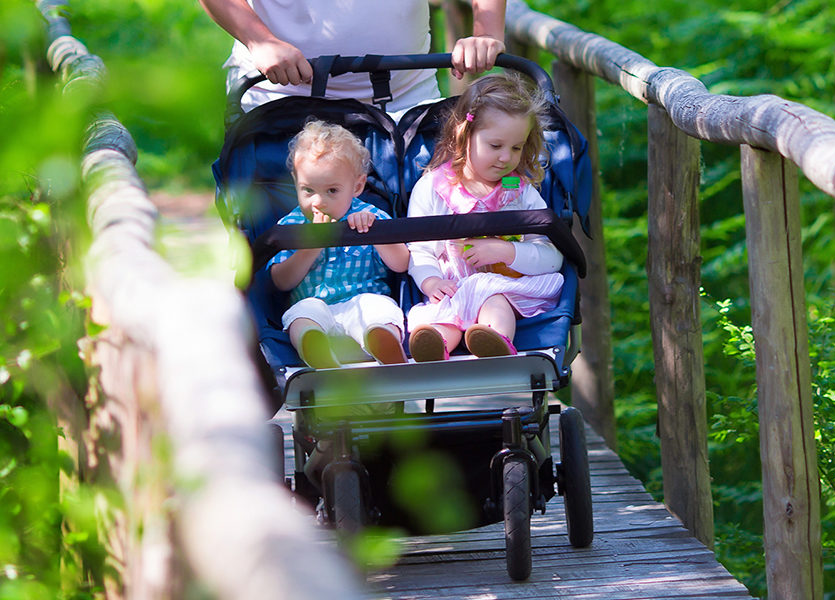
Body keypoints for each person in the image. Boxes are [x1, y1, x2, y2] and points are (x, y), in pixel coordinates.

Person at [405, 72, 563, 361]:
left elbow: (552, 256)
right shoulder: (435, 188)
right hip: (451, 289)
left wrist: (507, 250)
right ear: (465, 134)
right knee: (441, 316)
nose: (506, 157)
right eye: (495, 146)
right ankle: (434, 346)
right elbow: (420, 250)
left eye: (516, 148)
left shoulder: (518, 192)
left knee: (495, 302)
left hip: (502, 285)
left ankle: (493, 342)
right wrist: (431, 282)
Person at [269, 119, 411, 369]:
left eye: (332, 191)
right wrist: (311, 245)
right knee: (300, 314)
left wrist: (375, 233)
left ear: (357, 186)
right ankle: (318, 351)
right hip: (316, 307)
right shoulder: (291, 225)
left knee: (380, 309)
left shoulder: (370, 216)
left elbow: (401, 263)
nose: (318, 202)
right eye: (308, 190)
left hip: (363, 302)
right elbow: (281, 281)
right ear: (295, 183)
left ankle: (385, 344)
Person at [198, 0, 506, 115]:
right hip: (281, 98)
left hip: (406, 102)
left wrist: (487, 33)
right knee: (280, 241)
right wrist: (260, 40)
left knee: (418, 236)